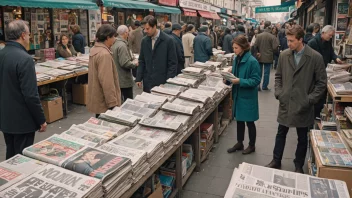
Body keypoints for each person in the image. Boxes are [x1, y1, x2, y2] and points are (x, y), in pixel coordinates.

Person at [265, 25, 327, 173]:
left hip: (303, 104)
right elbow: (278, 76)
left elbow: (321, 83)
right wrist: (279, 92)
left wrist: (310, 99)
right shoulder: (284, 55)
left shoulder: (315, 57)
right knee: (281, 132)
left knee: (302, 136)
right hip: (286, 102)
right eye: (288, 40)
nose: (288, 43)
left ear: (301, 40)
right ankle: (276, 160)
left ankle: (298, 164)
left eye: (292, 41)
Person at [0, 20, 47, 159]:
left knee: (11, 152)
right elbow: (31, 95)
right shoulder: (24, 59)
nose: (29, 37)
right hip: (22, 120)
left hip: (5, 117)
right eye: (28, 34)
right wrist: (41, 119)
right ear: (23, 35)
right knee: (21, 157)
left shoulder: (2, 54)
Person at [226, 35, 261, 155]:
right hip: (238, 94)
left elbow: (256, 80)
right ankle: (239, 142)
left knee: (250, 122)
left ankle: (252, 145)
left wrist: (240, 81)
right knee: (239, 120)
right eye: (233, 48)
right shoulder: (237, 59)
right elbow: (236, 75)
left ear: (243, 47)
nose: (234, 50)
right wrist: (229, 75)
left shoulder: (252, 62)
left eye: (236, 48)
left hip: (247, 96)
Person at [308, 25, 342, 119]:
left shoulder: (327, 42)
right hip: (313, 72)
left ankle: (317, 113)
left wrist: (337, 59)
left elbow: (332, 53)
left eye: (332, 36)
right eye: (330, 35)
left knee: (322, 93)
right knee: (315, 92)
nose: (330, 37)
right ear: (323, 33)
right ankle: (312, 114)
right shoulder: (312, 42)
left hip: (323, 71)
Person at [87, 24, 121, 118]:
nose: (114, 39)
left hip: (98, 99)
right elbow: (107, 81)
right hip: (105, 103)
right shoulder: (104, 54)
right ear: (107, 38)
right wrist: (113, 104)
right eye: (113, 36)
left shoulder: (95, 50)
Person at [136, 15, 177, 93]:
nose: (145, 31)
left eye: (147, 28)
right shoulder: (144, 41)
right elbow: (141, 60)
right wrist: (139, 78)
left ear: (154, 26)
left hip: (162, 82)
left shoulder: (168, 41)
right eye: (144, 28)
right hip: (148, 82)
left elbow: (172, 64)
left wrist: (167, 82)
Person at [112, 25, 138, 102]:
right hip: (124, 78)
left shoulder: (115, 43)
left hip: (117, 77)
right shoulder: (122, 45)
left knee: (119, 100)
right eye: (128, 32)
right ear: (126, 33)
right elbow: (125, 63)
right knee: (128, 101)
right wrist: (135, 63)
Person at [254, 21, 279, 91]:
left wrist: (258, 52)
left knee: (259, 72)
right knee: (266, 73)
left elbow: (255, 46)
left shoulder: (259, 36)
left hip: (260, 56)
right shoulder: (272, 37)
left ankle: (258, 86)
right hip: (268, 56)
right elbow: (275, 48)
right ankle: (265, 86)